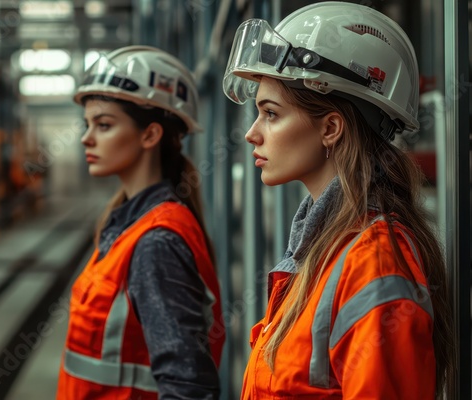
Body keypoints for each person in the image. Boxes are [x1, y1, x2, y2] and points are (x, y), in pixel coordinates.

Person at [222, 2, 454, 399]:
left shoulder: (374, 264)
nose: (252, 134)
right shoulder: (324, 250)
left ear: (331, 127)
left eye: (271, 113)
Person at [57, 45, 225, 399]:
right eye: (88, 125)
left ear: (150, 135)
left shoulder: (155, 242)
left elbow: (188, 387)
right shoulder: (128, 226)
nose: (87, 138)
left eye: (103, 125)